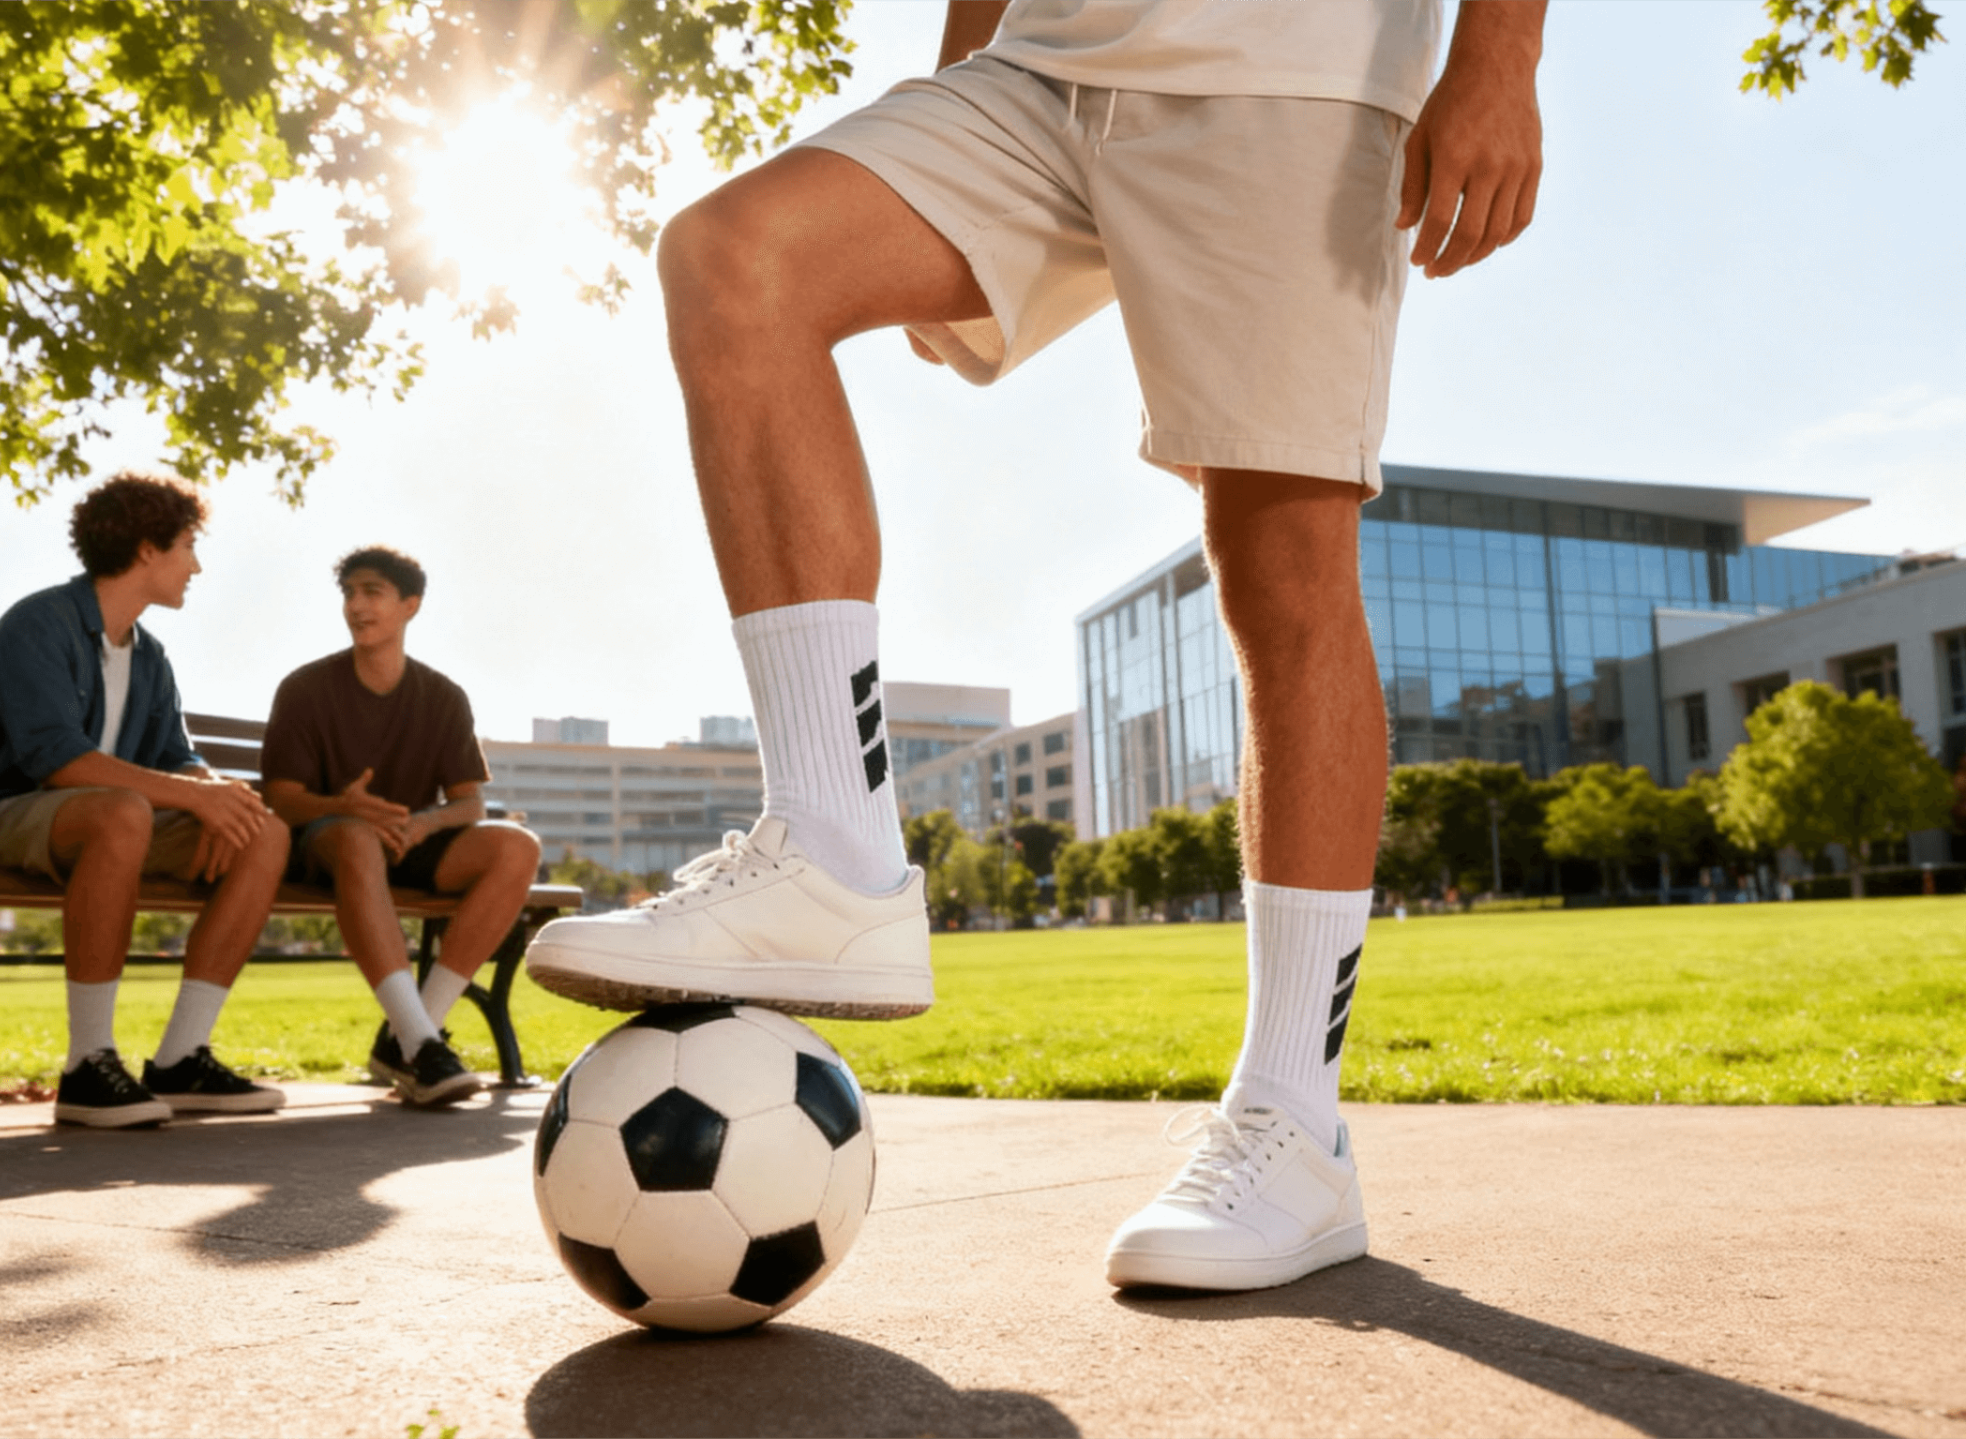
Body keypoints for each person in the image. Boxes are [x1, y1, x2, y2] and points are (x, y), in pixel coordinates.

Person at [526, 0, 1546, 1291]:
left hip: (1293, 72)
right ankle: (836, 855)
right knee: (735, 259)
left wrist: (1500, 53)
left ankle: (1294, 1125)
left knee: (1281, 565)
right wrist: (954, 91)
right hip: (1041, 64)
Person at [0, 468, 291, 1129]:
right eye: (188, 545)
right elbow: (56, 760)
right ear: (148, 548)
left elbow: (175, 757)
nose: (197, 565)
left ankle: (182, 1057)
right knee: (123, 809)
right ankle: (86, 1065)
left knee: (262, 829)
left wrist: (215, 794)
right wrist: (190, 794)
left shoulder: (149, 655)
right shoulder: (39, 623)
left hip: (104, 822)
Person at [261, 547, 543, 1108]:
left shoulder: (443, 696)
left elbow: (468, 805)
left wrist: (421, 824)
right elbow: (282, 800)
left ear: (410, 605)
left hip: (407, 844)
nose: (357, 606)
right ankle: (422, 1045)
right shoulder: (306, 688)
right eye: (350, 594)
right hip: (325, 845)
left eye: (372, 592)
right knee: (357, 836)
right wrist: (342, 806)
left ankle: (413, 1038)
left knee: (517, 848)